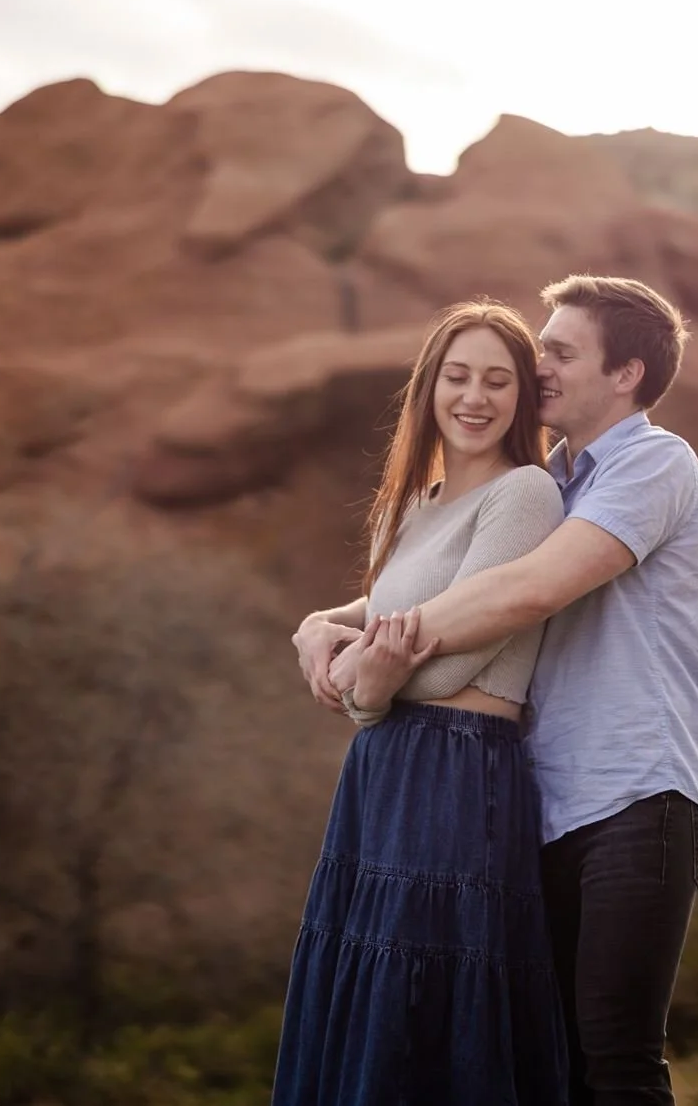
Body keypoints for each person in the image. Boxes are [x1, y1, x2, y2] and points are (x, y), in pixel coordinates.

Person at [318, 274, 698, 1106]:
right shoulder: (562, 477)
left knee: (616, 1057)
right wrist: (334, 617)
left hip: (638, 796)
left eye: (562, 352)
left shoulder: (652, 464)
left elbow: (526, 589)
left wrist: (372, 661)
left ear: (627, 375)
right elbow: (467, 574)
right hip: (546, 804)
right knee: (555, 1063)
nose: (539, 368)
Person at [275, 299, 573, 1106]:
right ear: (429, 386)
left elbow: (447, 668)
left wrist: (365, 692)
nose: (474, 397)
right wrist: (315, 623)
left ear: (522, 398)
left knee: (432, 995)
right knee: (370, 985)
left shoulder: (524, 495)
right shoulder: (413, 503)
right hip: (384, 773)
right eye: (458, 375)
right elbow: (384, 617)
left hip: (460, 769)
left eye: (498, 380)